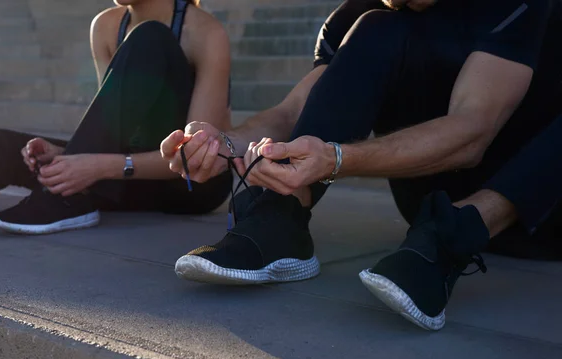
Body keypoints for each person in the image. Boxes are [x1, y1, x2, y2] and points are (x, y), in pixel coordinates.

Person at [162, 0, 562, 330]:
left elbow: (473, 130)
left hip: (538, 212)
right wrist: (219, 141)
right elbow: (291, 112)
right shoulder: (357, 16)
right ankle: (281, 217)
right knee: (375, 27)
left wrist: (338, 158)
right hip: (427, 198)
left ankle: (456, 232)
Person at [0, 0, 233, 235]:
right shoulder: (106, 26)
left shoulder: (206, 33)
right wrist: (71, 155)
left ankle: (64, 199)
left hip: (191, 185)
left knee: (151, 37)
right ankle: (71, 197)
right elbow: (112, 126)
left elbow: (197, 160)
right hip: (130, 173)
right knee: (0, 148)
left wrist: (96, 166)